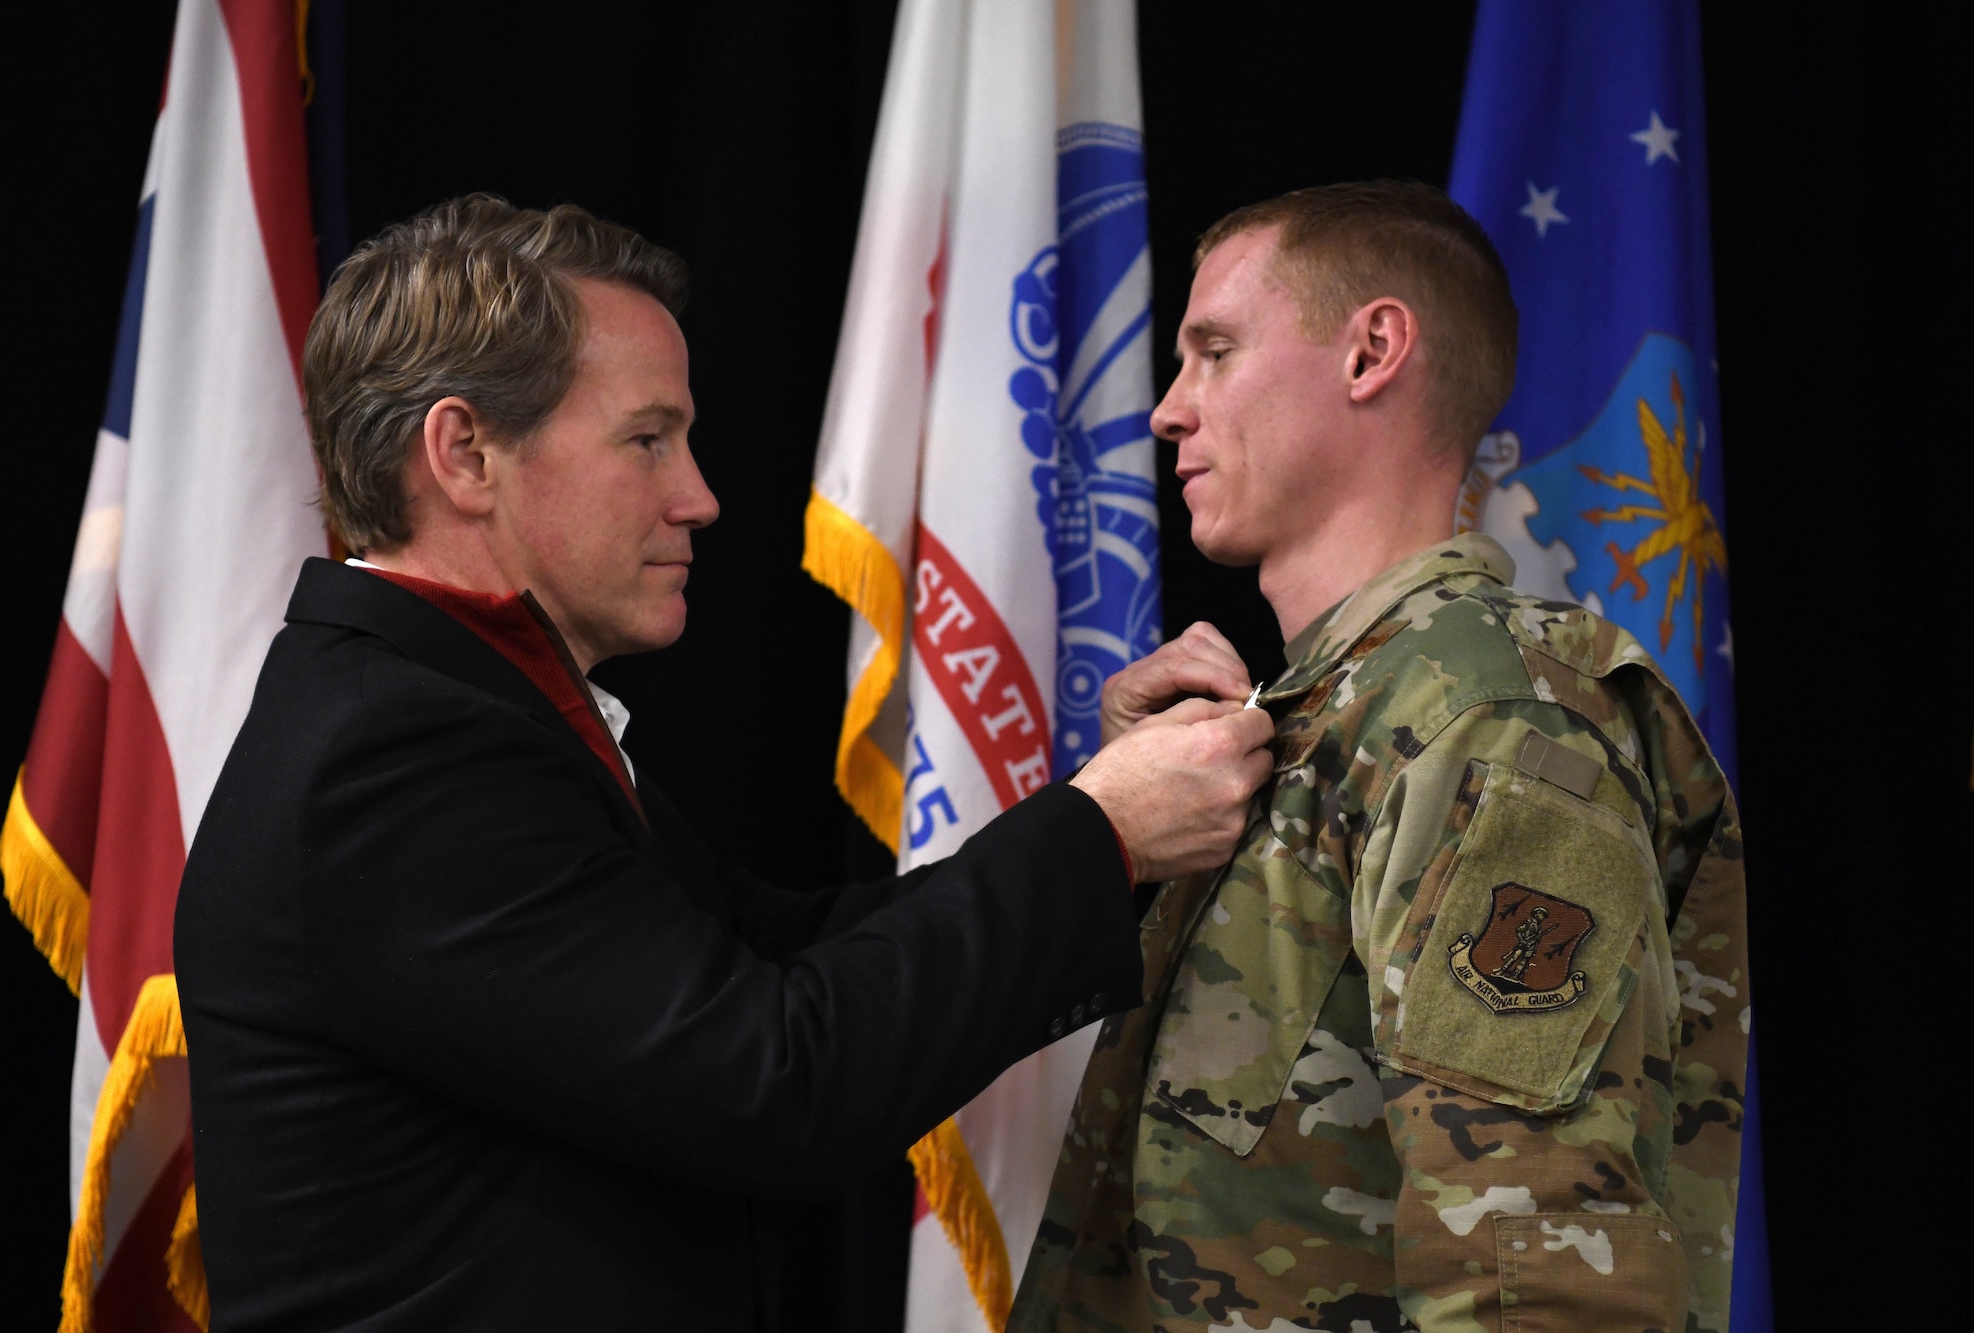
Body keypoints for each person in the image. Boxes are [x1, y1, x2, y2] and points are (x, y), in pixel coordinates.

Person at [173, 195, 1275, 1332]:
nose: (696, 497)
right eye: (646, 439)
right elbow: (776, 1080)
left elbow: (776, 953)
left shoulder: (447, 707)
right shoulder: (392, 755)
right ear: (464, 454)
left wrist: (1110, 819)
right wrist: (1100, 833)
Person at [1010, 183, 1748, 1333]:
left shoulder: (1491, 725)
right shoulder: (1312, 717)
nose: (1166, 410)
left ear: (1370, 352)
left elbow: (1533, 1266)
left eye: (1212, 351)